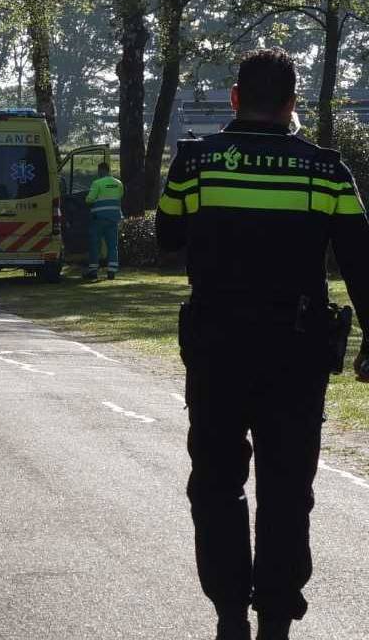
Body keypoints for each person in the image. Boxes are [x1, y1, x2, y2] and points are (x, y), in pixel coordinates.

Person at [156, 47, 369, 640]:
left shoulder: (197, 162)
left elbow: (167, 236)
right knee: (286, 486)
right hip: (295, 352)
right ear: (292, 103)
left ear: (234, 99)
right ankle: (275, 614)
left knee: (218, 481)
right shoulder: (327, 171)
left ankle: (228, 613)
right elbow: (360, 261)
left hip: (216, 348)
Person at [85, 161, 124, 280]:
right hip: (113, 219)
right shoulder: (118, 183)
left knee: (95, 245)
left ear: (101, 170)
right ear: (109, 170)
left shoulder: (97, 183)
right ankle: (111, 271)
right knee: (112, 246)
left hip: (98, 219)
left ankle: (93, 271)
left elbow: (89, 200)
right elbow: (119, 197)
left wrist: (87, 199)